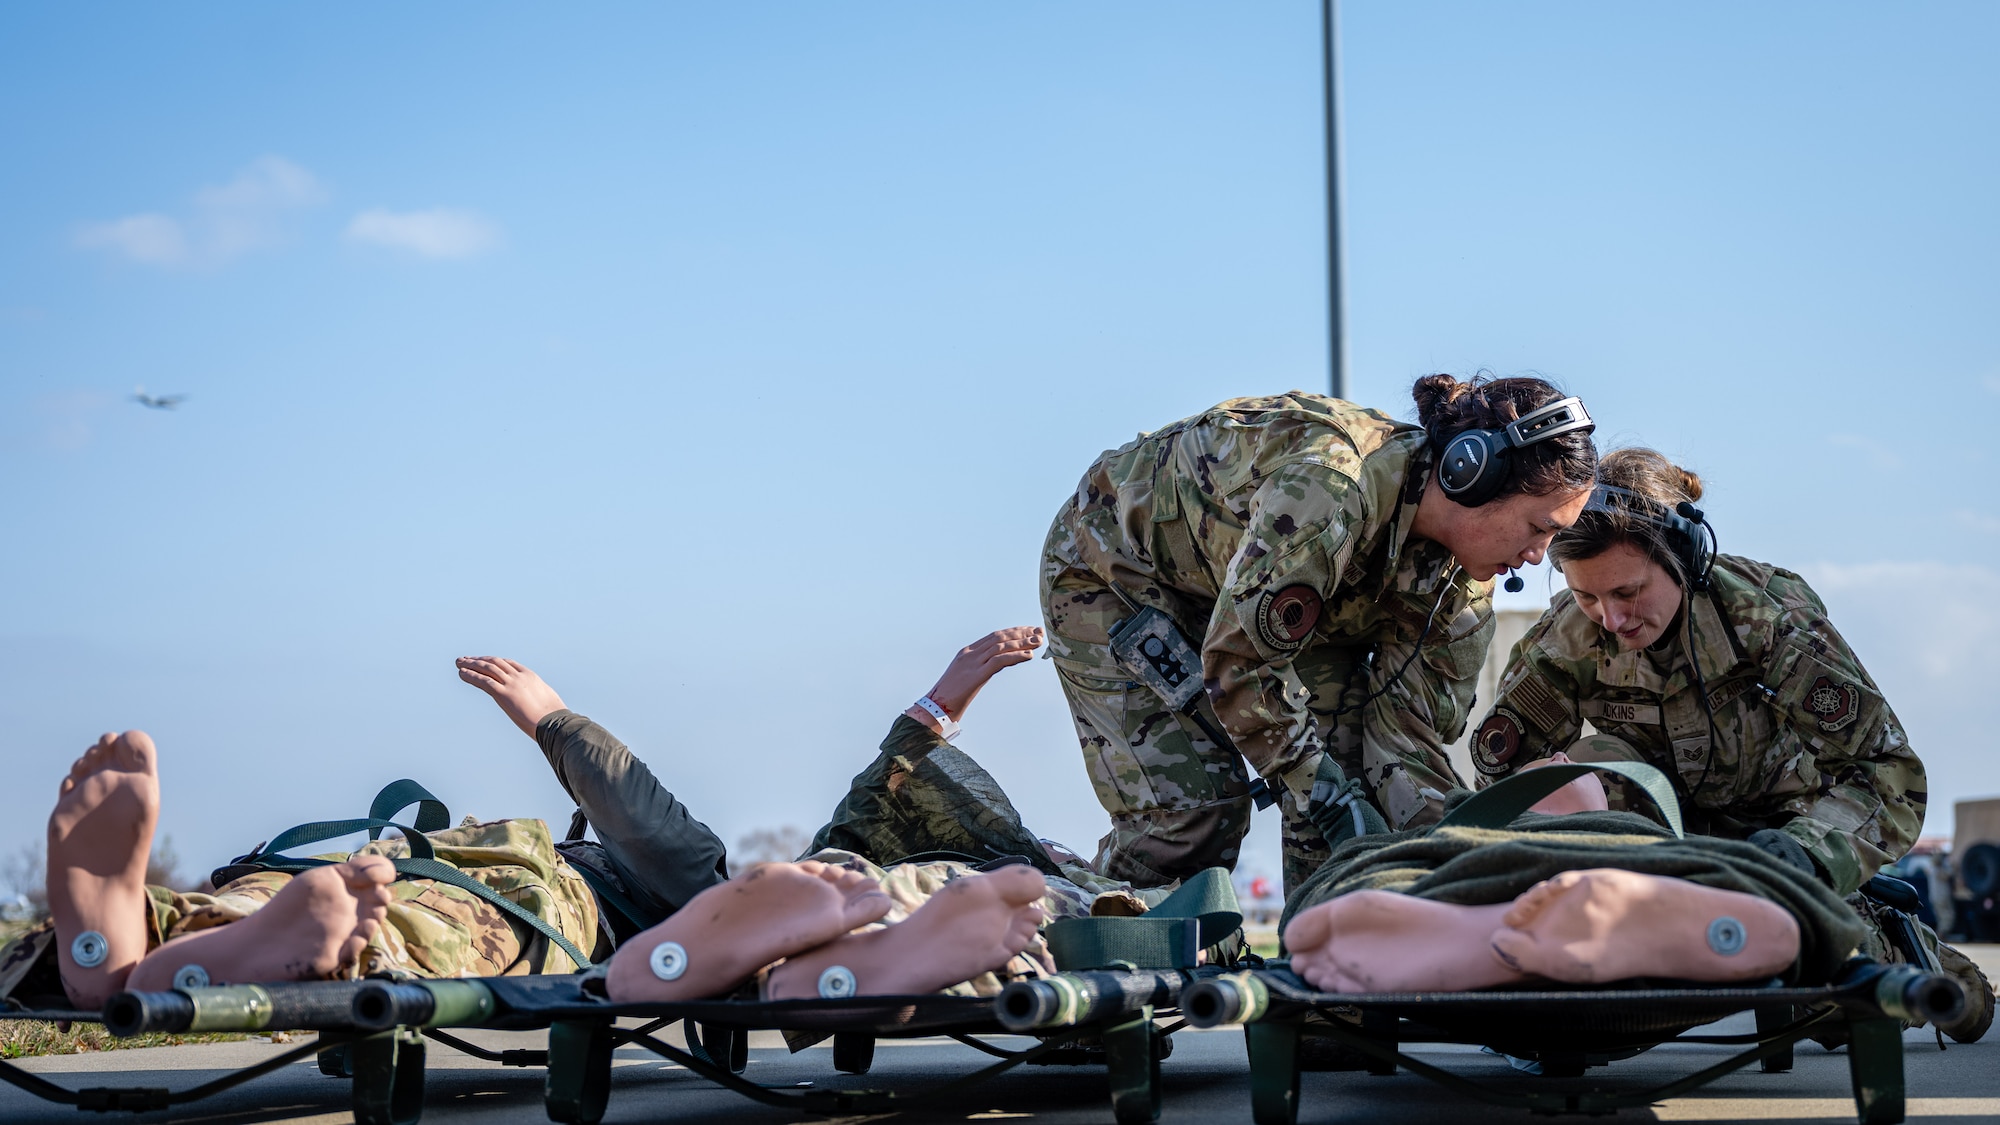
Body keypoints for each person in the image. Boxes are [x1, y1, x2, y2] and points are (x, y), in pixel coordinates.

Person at [23, 629, 1113, 1010]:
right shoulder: (619, 878)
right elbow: (680, 845)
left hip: (461, 876)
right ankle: (821, 962)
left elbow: (667, 829)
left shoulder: (611, 863)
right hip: (543, 904)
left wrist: (551, 723)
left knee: (365, 900)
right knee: (394, 912)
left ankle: (123, 948)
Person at [1467, 447, 1990, 1042]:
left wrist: (1807, 858)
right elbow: (1508, 785)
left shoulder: (1765, 620)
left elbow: (1887, 774)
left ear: (1683, 559)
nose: (1611, 619)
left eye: (1629, 591)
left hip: (1781, 845)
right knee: (1589, 770)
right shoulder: (1568, 636)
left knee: (1827, 998)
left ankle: (1885, 939)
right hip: (1665, 847)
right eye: (1588, 596)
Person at [1040, 377, 1599, 894]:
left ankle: (1330, 991)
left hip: (1260, 608)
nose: (1536, 556)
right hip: (1115, 576)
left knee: (1341, 795)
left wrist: (1456, 854)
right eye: (1538, 528)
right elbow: (1241, 664)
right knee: (1193, 816)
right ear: (1471, 476)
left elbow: (1404, 740)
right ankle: (1056, 931)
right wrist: (1331, 799)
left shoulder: (1459, 584)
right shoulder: (1330, 489)